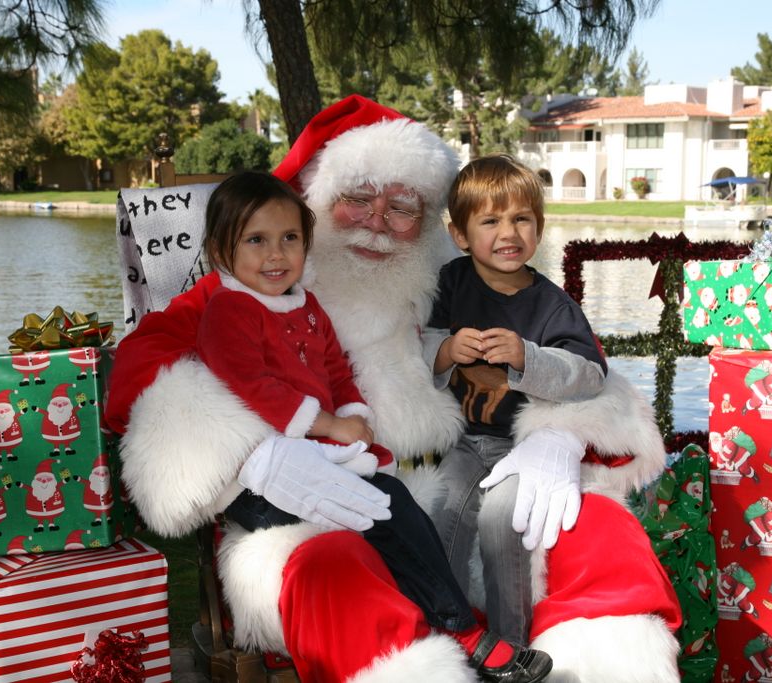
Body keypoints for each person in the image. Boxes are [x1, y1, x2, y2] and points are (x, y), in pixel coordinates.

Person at [106, 94, 682, 682]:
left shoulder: (456, 274)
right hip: (321, 505)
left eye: (402, 207)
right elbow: (137, 372)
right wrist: (251, 453)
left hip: (468, 483)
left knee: (597, 530)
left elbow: (582, 363)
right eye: (357, 199)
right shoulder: (246, 289)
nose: (378, 222)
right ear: (316, 203)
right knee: (335, 573)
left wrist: (559, 435)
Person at [195, 169, 551, 681]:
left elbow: (337, 368)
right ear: (220, 251)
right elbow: (253, 387)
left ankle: (455, 629)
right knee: (379, 520)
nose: (276, 255)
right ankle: (456, 633)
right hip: (263, 481)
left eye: (289, 239)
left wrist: (356, 416)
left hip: (325, 457)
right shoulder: (229, 310)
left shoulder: (306, 305)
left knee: (396, 504)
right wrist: (328, 425)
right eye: (256, 241)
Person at [423, 154, 607, 645]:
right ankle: (450, 637)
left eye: (521, 218)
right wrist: (445, 350)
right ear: (459, 233)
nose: (509, 232)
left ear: (539, 228)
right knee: (442, 512)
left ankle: (512, 646)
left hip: (524, 448)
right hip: (463, 442)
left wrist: (528, 358)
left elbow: (590, 375)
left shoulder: (553, 304)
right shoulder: (449, 283)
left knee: (505, 521)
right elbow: (413, 349)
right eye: (491, 220)